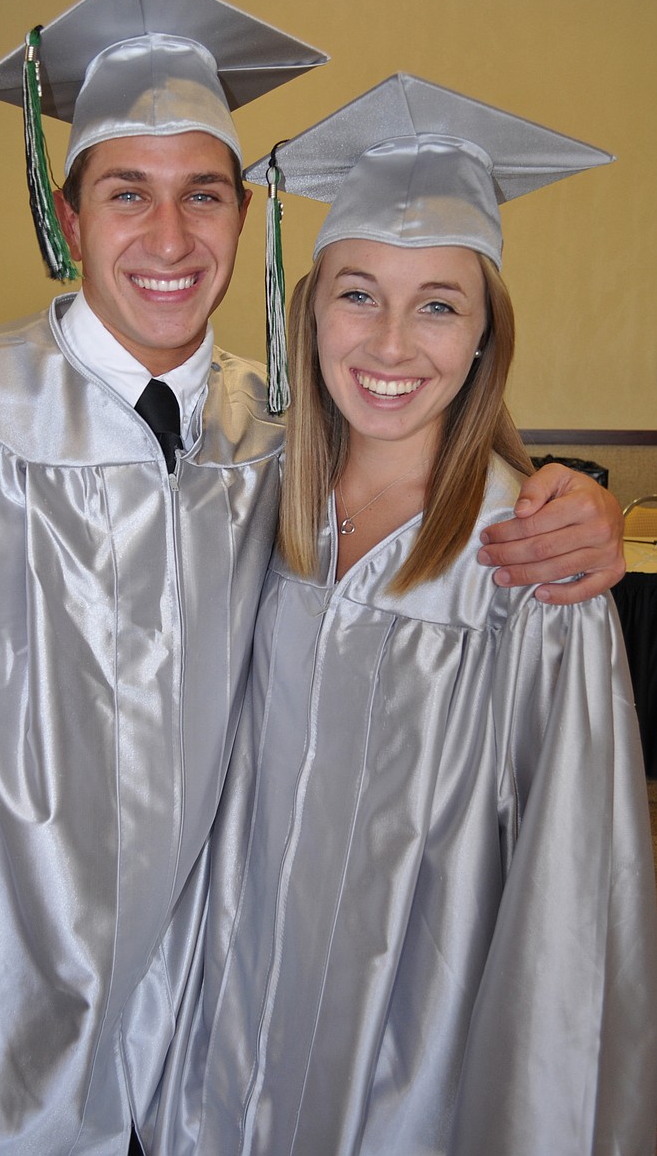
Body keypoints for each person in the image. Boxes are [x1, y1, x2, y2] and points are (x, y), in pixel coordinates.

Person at [0, 0, 623, 1156]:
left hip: (194, 1012)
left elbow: (424, 446)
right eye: (127, 193)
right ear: (69, 214)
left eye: (206, 195)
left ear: (247, 220)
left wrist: (575, 503)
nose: (171, 237)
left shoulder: (271, 441)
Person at [157, 75, 657, 1155]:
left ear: (484, 338)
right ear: (309, 305)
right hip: (213, 1028)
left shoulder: (525, 566)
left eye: (438, 303)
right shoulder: (240, 495)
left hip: (405, 1065)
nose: (390, 344)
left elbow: (571, 891)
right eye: (356, 293)